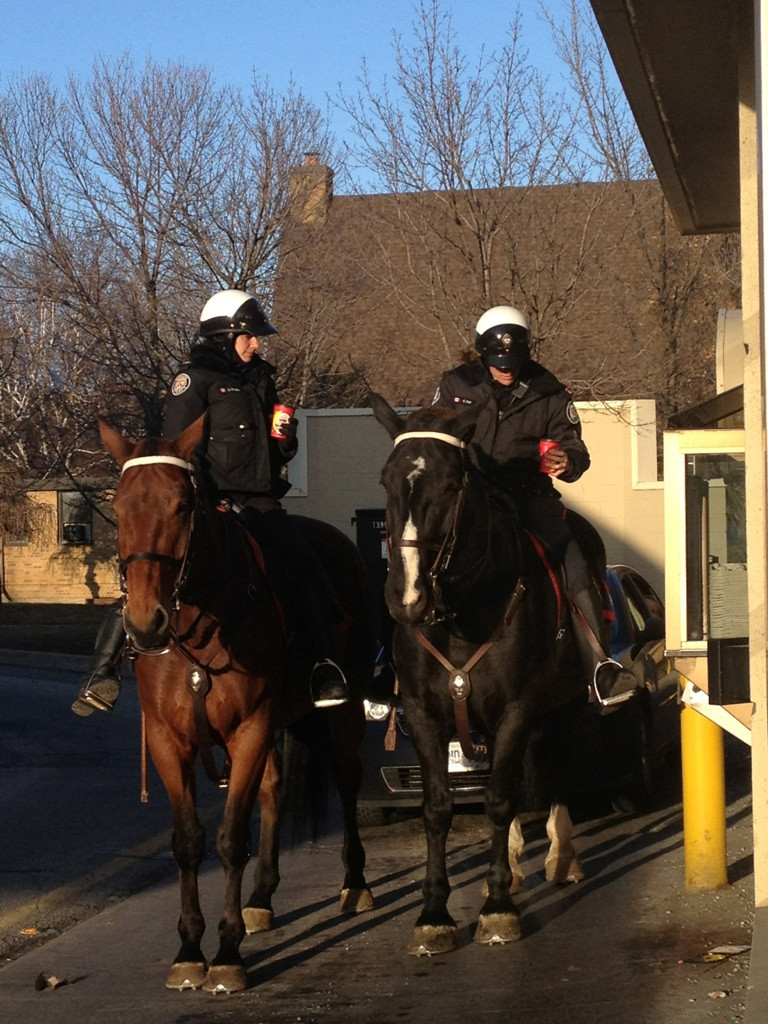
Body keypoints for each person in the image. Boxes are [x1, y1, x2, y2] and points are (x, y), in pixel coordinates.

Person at [72, 288, 348, 716]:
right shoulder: (194, 381)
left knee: (305, 565)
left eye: (256, 337)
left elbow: (268, 452)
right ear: (224, 336)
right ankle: (102, 671)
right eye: (248, 336)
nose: (256, 344)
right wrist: (200, 501)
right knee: (149, 567)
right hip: (210, 502)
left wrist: (284, 444)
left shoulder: (261, 378)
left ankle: (322, 666)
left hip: (259, 500)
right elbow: (175, 452)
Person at [431, 304, 637, 706]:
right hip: (469, 496)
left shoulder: (550, 390)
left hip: (528, 495)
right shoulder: (455, 384)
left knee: (574, 561)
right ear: (481, 354)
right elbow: (435, 434)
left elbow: (575, 447)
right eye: (498, 362)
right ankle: (396, 672)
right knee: (415, 554)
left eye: (513, 361)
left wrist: (568, 461)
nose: (506, 369)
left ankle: (600, 665)